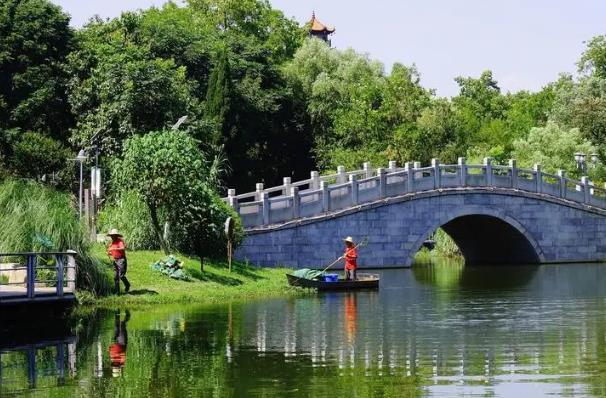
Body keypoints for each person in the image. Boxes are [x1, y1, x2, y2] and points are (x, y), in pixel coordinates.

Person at [107, 229, 130, 294]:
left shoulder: (120, 241)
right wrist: (109, 253)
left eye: (113, 235)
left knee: (121, 275)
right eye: (111, 236)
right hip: (115, 260)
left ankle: (127, 285)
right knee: (115, 276)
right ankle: (117, 291)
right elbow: (113, 252)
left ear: (116, 235)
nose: (112, 237)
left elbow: (122, 248)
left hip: (121, 260)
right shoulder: (112, 243)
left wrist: (114, 248)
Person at [109, 309, 130, 377]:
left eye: (114, 366)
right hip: (122, 342)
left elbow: (110, 350)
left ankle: (117, 311)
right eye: (116, 366)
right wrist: (121, 367)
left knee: (116, 325)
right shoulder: (122, 361)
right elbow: (123, 353)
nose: (115, 365)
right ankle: (127, 316)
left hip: (116, 342)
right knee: (122, 324)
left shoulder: (113, 359)